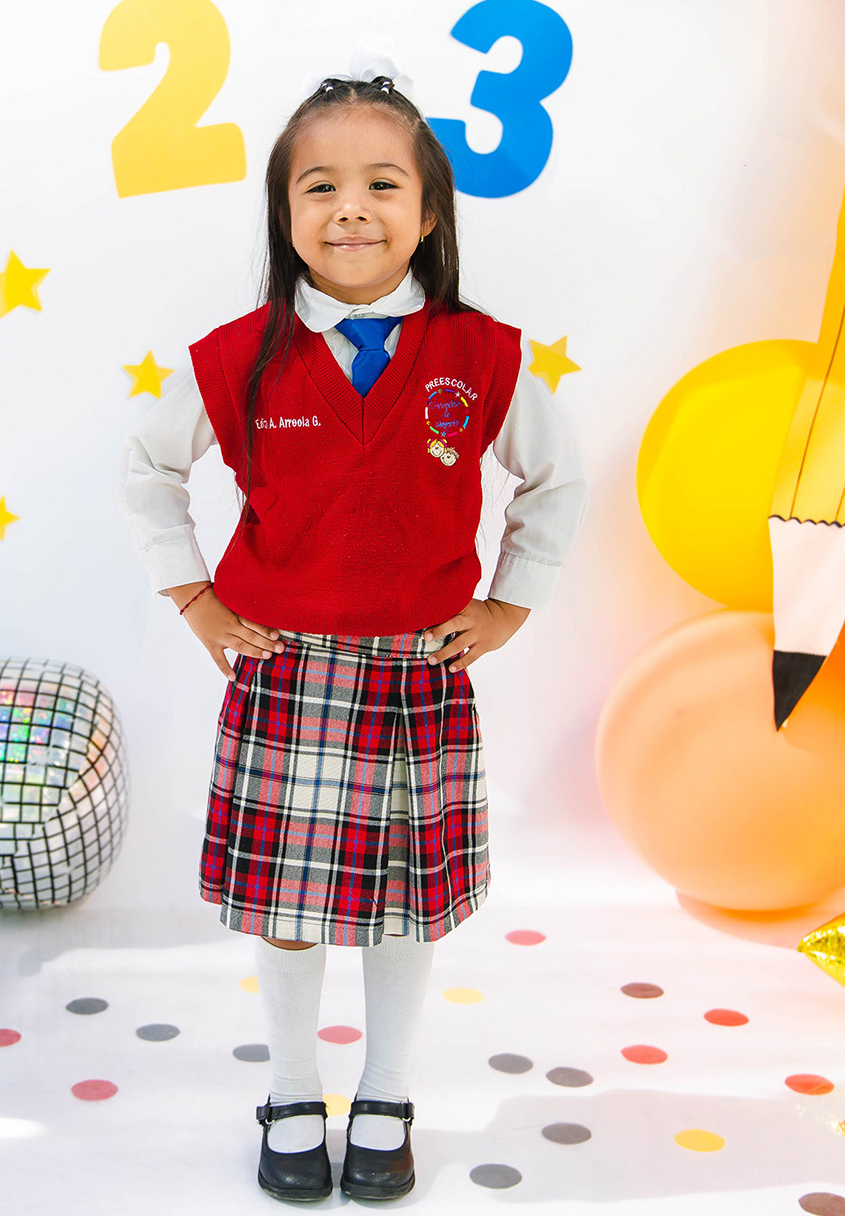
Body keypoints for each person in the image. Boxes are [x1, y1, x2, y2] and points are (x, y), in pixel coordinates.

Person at [119, 64, 588, 1203]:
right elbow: (146, 471)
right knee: (289, 907)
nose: (350, 210)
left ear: (429, 213)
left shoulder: (483, 355)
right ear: (283, 213)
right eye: (318, 186)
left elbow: (558, 482)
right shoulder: (237, 356)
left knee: (403, 903)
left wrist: (510, 603)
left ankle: (385, 1090)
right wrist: (195, 598)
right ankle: (291, 1088)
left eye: (382, 184)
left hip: (420, 675)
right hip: (286, 672)